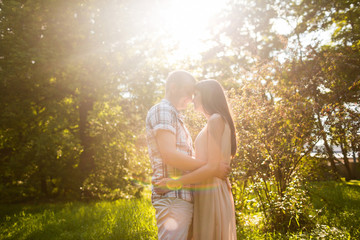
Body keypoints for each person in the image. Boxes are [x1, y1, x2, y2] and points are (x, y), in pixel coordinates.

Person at [146, 71, 230, 240]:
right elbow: (170, 155)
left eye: (194, 94)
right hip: (172, 196)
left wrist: (210, 167)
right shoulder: (163, 110)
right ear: (173, 87)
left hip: (182, 196)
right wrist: (211, 168)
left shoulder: (176, 117)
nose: (191, 98)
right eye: (189, 92)